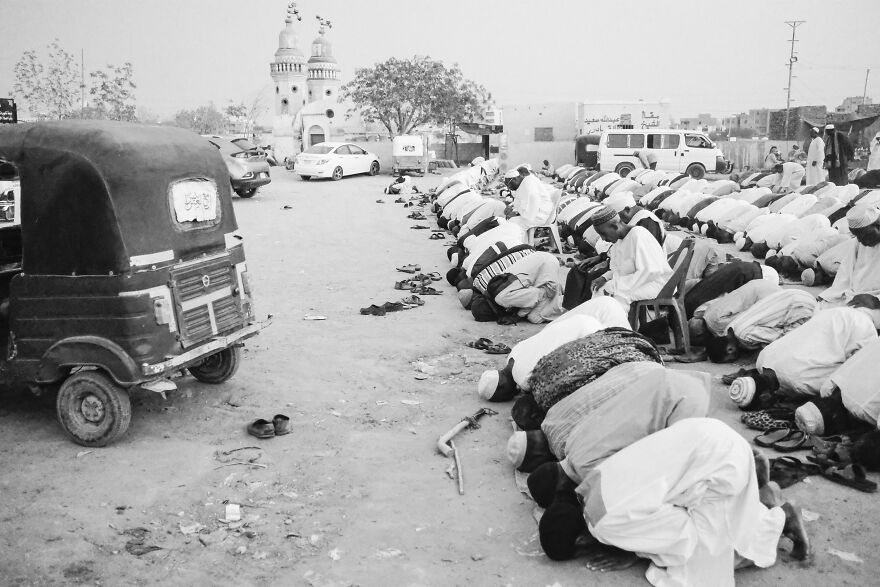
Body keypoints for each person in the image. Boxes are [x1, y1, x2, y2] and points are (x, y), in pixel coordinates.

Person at [535, 418, 810, 586]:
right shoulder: (589, 484)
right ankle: (760, 497)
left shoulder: (604, 527)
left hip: (719, 467)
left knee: (696, 570)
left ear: (581, 541)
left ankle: (781, 518)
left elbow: (683, 534)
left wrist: (635, 551)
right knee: (703, 522)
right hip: (709, 434)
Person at [728, 294, 880, 407]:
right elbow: (862, 364)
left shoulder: (828, 312)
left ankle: (762, 383)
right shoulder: (866, 324)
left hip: (767, 359)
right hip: (796, 378)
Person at [476, 297, 628, 401]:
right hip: (601, 306)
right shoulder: (514, 353)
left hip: (591, 327)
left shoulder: (524, 381)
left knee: (630, 357)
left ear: (502, 388)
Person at [701, 287, 818, 363]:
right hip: (796, 294)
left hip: (801, 307)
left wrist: (756, 356)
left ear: (730, 349)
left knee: (785, 350)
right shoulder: (731, 326)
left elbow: (777, 339)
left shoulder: (744, 336)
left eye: (730, 359)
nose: (734, 359)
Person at [590, 206, 673, 309]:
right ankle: (601, 323)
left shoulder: (638, 234)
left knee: (617, 295)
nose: (603, 239)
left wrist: (617, 285)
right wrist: (604, 278)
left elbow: (649, 272)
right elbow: (619, 270)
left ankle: (618, 324)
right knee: (599, 289)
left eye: (603, 234)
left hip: (655, 283)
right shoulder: (617, 241)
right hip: (636, 282)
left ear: (615, 226)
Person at [816, 204, 880, 306]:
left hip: (874, 301)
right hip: (855, 294)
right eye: (856, 236)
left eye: (863, 235)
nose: (859, 240)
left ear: (878, 226)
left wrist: (876, 300)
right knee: (823, 306)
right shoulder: (858, 242)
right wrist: (830, 294)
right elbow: (846, 271)